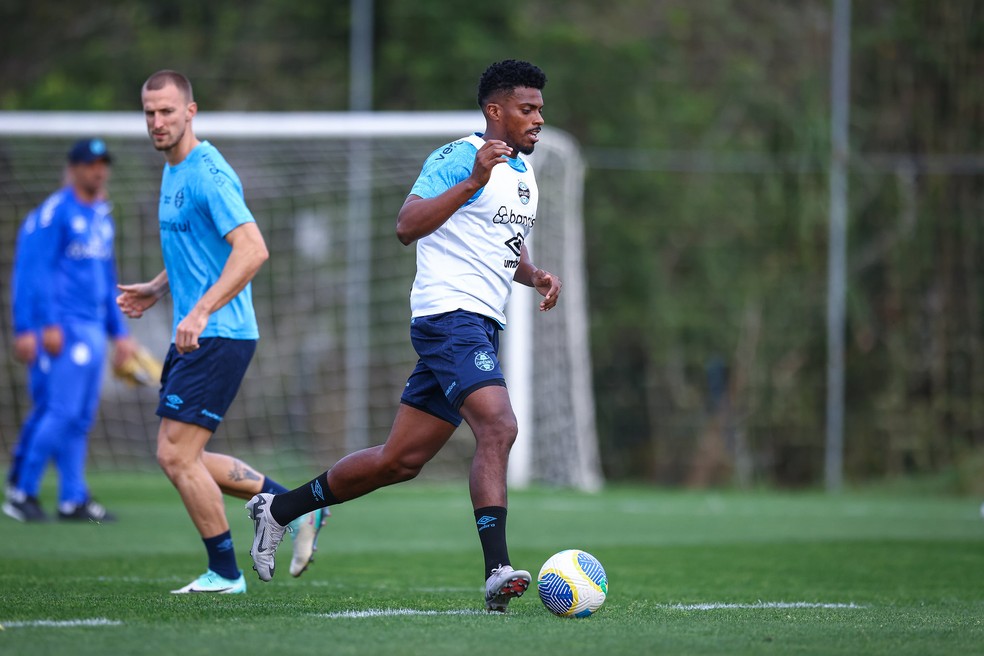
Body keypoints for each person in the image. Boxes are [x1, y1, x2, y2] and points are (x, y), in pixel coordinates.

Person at [246, 59, 562, 612]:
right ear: (495, 111)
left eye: (539, 109)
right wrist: (471, 180)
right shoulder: (458, 156)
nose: (538, 118)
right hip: (449, 318)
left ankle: (278, 510)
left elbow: (498, 242)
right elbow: (405, 226)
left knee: (400, 461)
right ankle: (497, 571)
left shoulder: (524, 174)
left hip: (480, 322)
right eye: (527, 108)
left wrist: (532, 274)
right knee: (500, 425)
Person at [117, 70, 327, 594]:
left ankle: (226, 573)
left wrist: (201, 311)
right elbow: (202, 248)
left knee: (174, 455)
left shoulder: (207, 171)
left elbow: (252, 249)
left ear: (191, 112)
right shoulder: (173, 169)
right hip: (200, 331)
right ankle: (294, 508)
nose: (157, 122)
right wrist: (159, 289)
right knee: (181, 452)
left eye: (167, 111)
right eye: (150, 113)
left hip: (219, 332)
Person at [3, 138, 137, 524]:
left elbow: (105, 277)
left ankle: (72, 498)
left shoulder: (101, 217)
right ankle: (21, 492)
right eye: (90, 163)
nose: (98, 170)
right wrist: (34, 325)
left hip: (93, 328)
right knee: (58, 411)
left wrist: (120, 333)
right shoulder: (54, 214)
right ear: (74, 168)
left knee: (80, 417)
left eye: (102, 164)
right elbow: (32, 272)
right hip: (61, 329)